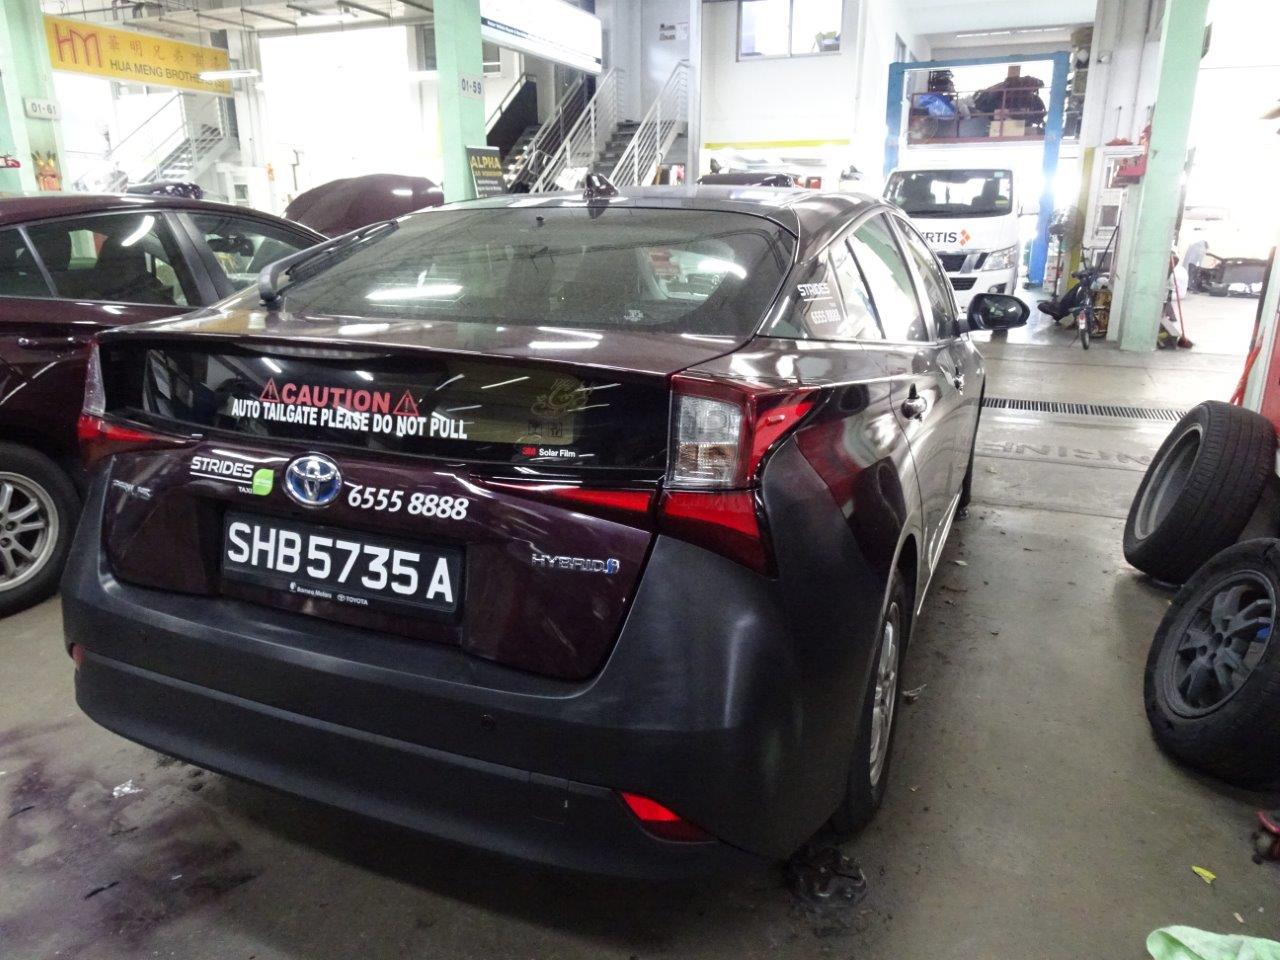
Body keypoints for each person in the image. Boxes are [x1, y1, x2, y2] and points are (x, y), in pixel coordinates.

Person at [1158, 252, 1193, 349]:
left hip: (1167, 293)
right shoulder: (1166, 269)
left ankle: (1168, 318)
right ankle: (1168, 318)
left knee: (1165, 304)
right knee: (1164, 306)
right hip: (1165, 292)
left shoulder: (1172, 270)